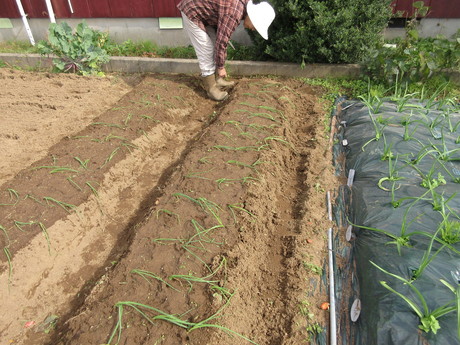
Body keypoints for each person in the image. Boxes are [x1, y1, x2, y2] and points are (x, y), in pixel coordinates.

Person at [177, 0, 275, 101]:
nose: (253, 29)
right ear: (253, 17)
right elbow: (222, 41)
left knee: (215, 43)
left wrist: (220, 65)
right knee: (206, 48)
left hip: (205, 14)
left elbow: (220, 39)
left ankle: (218, 80)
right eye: (255, 26)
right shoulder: (234, 13)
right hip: (192, 10)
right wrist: (220, 67)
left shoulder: (240, 8)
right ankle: (211, 89)